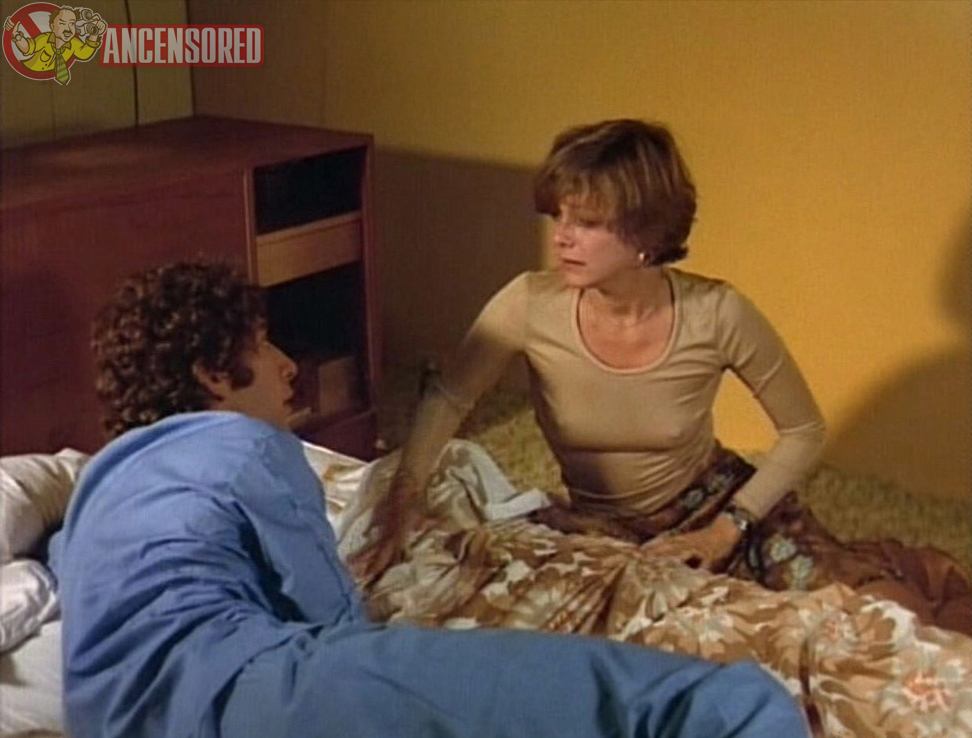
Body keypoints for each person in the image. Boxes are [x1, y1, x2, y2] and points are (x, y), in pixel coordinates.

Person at [49, 260, 808, 738]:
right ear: (214, 376)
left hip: (108, 719)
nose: (286, 366)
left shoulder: (99, 484)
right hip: (247, 695)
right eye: (262, 345)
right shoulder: (243, 445)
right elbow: (329, 614)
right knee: (664, 696)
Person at [367, 119, 972, 635]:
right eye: (558, 216)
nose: (562, 237)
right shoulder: (528, 303)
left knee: (884, 623)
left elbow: (804, 431)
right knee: (508, 622)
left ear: (645, 233)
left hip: (723, 510)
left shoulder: (718, 312)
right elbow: (449, 398)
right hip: (601, 529)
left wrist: (728, 529)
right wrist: (403, 496)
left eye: (587, 222)